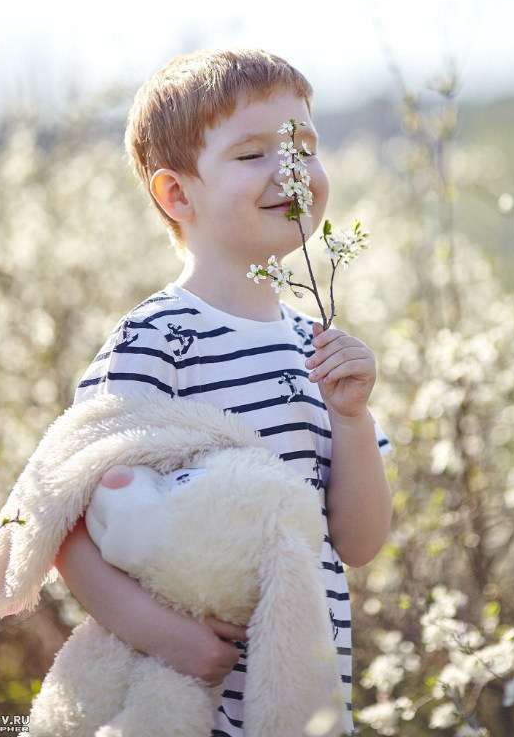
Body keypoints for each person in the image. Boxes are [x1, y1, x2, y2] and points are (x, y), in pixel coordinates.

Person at [55, 48, 393, 737]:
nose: (290, 171)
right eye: (253, 154)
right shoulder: (156, 338)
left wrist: (352, 421)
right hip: (181, 699)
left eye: (302, 146)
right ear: (178, 194)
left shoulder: (317, 342)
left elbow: (359, 543)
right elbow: (63, 519)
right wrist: (166, 636)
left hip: (302, 704)